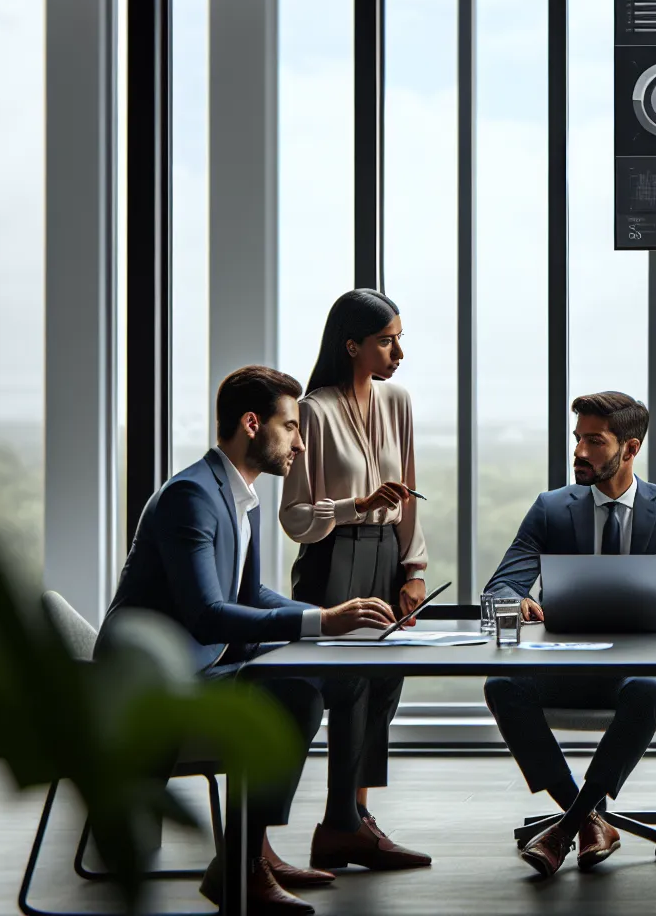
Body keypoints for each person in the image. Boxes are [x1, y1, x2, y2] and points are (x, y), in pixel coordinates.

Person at [99, 366, 399, 915]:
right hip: (159, 682)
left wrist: (333, 619)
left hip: (198, 663)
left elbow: (252, 592)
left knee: (346, 667)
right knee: (297, 692)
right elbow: (209, 615)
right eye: (291, 427)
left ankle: (326, 827)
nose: (301, 443)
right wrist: (322, 622)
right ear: (252, 424)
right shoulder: (192, 496)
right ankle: (240, 864)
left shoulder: (239, 494)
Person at [481, 391, 656, 879]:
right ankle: (587, 820)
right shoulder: (550, 508)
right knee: (500, 685)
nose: (580, 452)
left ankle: (565, 828)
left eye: (595, 441)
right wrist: (514, 600)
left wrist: (648, 609)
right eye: (578, 439)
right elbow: (499, 586)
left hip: (638, 669)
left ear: (630, 448)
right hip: (567, 666)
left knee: (647, 689)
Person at [279, 289, 432, 872]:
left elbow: (410, 494)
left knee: (382, 688)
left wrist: (413, 569)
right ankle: (338, 821)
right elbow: (296, 518)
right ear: (352, 346)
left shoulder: (398, 401)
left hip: (385, 556)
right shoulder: (312, 410)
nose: (399, 351)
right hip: (331, 560)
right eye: (387, 340)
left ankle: (354, 820)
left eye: (398, 338)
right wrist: (353, 506)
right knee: (342, 692)